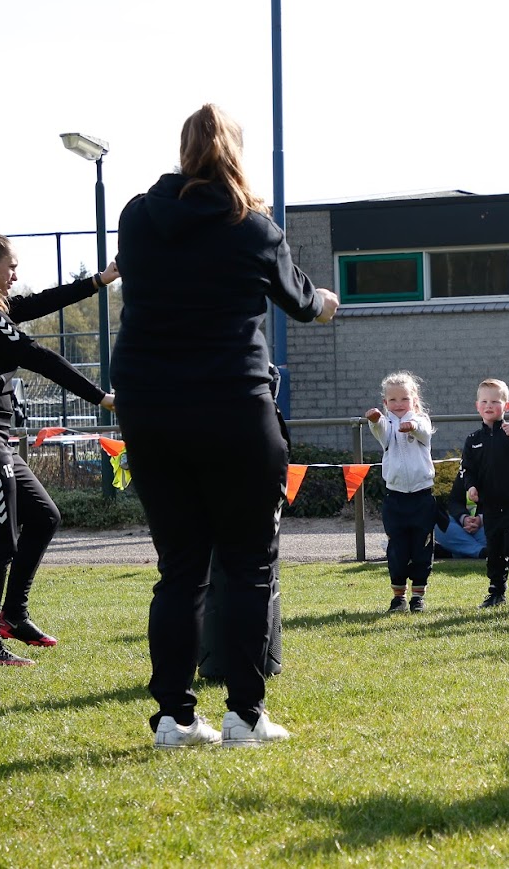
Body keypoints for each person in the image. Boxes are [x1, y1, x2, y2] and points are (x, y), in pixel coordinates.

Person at [113, 104, 339, 749]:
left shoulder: (136, 215)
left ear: (184, 150)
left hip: (150, 407)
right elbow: (298, 301)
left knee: (179, 568)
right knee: (247, 564)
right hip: (233, 405)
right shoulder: (255, 227)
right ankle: (245, 714)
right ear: (237, 154)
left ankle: (173, 719)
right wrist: (325, 302)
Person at [0, 231, 117, 667]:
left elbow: (34, 304)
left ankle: (13, 615)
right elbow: (38, 355)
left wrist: (99, 280)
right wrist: (102, 397)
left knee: (45, 516)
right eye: (10, 265)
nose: (16, 274)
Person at [459, 378, 509, 608]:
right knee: (493, 549)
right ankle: (496, 592)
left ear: (506, 406)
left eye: (495, 401)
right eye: (484, 401)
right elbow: (467, 469)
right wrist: (471, 487)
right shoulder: (473, 440)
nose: (489, 405)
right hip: (490, 504)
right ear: (477, 406)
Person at [365, 371, 437, 613]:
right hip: (395, 498)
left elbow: (424, 432)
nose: (398, 405)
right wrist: (375, 419)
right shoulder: (386, 424)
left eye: (404, 399)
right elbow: (381, 431)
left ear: (414, 399)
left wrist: (413, 425)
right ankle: (398, 597)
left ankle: (419, 595)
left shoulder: (422, 419)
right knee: (397, 549)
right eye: (392, 400)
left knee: (422, 548)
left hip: (422, 497)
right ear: (385, 403)